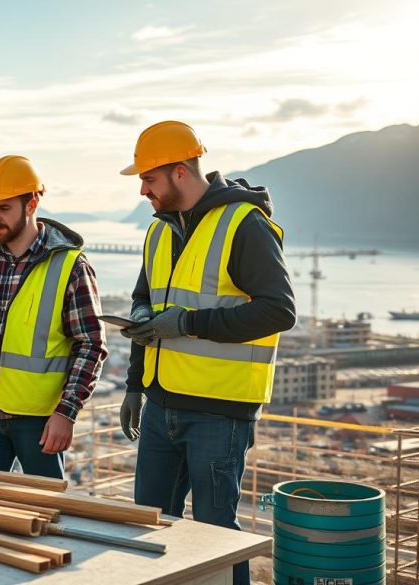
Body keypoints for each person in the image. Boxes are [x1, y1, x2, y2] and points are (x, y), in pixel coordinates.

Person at [117, 121, 295, 585]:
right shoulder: (158, 232)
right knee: (150, 525)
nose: (142, 190)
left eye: (148, 179)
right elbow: (147, 304)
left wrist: (189, 323)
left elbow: (279, 310)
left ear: (180, 172)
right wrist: (136, 384)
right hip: (161, 403)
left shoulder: (244, 224)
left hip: (219, 410)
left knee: (216, 536)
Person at [0, 155, 107, 479]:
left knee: (45, 514)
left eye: (3, 208)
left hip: (40, 420)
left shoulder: (70, 266)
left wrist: (67, 412)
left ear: (31, 204)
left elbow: (91, 345)